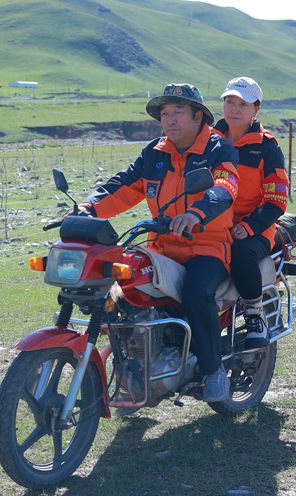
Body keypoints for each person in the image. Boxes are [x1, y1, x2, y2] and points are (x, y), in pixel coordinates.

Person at [71, 83, 240, 402]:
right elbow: (125, 185)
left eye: (178, 112)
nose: (170, 120)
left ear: (198, 116)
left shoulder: (218, 149)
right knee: (125, 293)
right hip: (162, 248)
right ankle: (137, 371)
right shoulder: (155, 153)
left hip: (206, 246)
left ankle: (212, 369)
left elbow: (225, 187)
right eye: (164, 114)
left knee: (196, 292)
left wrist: (196, 213)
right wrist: (88, 208)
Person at [212, 77, 289, 349]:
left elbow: (276, 200)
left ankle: (255, 313)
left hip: (254, 228)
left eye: (242, 104)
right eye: (229, 101)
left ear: (256, 108)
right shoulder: (208, 141)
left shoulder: (267, 147)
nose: (234, 109)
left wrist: (248, 226)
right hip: (211, 224)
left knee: (242, 253)